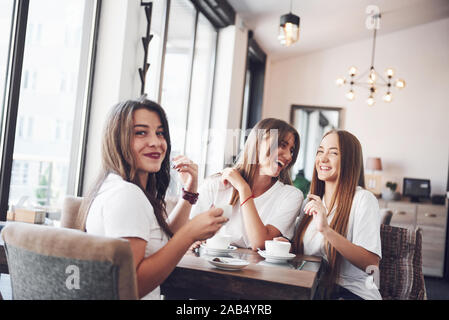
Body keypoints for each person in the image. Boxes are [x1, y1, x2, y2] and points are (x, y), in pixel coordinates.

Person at [76, 98, 228, 299]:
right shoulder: (127, 195)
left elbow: (163, 240)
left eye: (160, 133)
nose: (156, 142)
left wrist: (190, 192)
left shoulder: (115, 186)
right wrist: (190, 233)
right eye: (140, 132)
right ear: (117, 139)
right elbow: (130, 286)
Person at [278, 129, 382, 300]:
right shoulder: (312, 202)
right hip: (315, 288)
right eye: (320, 151)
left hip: (351, 292)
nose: (323, 158)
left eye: (333, 153)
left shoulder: (363, 199)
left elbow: (371, 263)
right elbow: (303, 254)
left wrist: (326, 230)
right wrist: (287, 246)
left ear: (349, 160)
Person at [191, 118, 303, 250]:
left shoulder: (291, 196)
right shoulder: (216, 184)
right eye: (282, 145)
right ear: (257, 143)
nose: (289, 156)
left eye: (291, 150)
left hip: (259, 270)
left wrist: (243, 189)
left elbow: (260, 243)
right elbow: (189, 231)